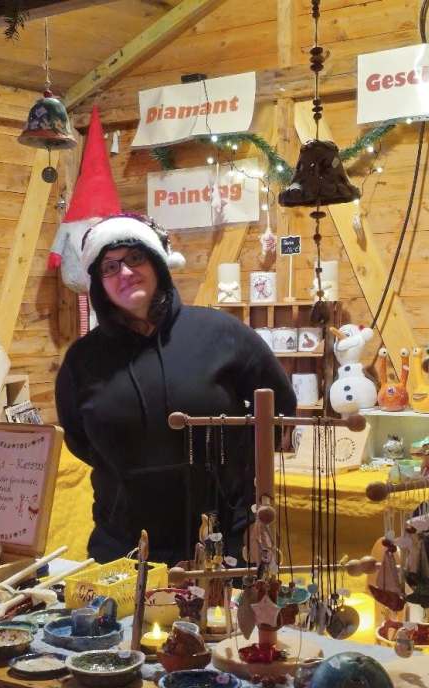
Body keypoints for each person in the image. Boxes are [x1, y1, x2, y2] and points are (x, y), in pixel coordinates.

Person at [56, 214, 295, 564]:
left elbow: (279, 410)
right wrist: (136, 476)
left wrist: (233, 472)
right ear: (98, 282)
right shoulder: (81, 360)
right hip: (123, 548)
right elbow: (79, 439)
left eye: (135, 257)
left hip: (222, 542)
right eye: (110, 266)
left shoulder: (221, 334)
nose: (125, 272)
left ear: (157, 263)